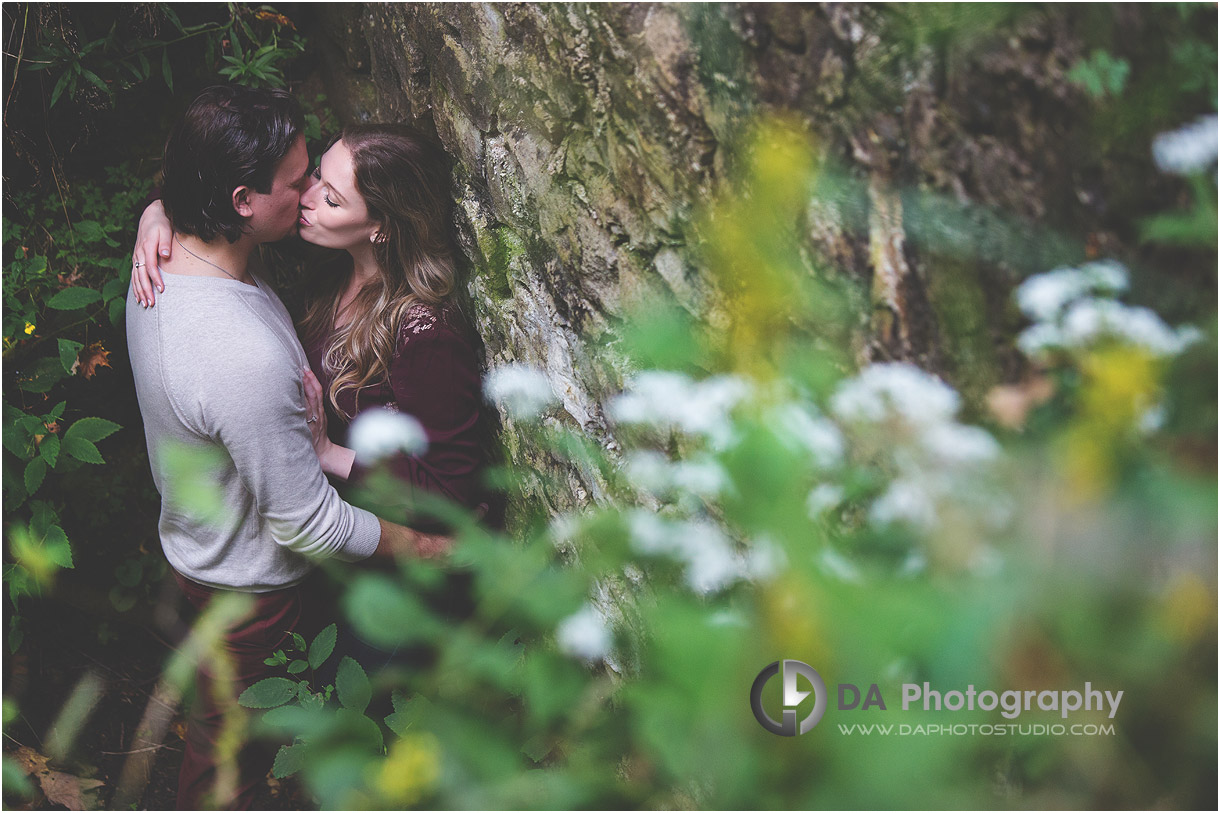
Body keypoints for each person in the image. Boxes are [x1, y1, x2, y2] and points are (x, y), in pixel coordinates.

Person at [126, 86, 448, 810]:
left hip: (208, 555)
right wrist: (432, 549)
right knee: (227, 767)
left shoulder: (172, 253)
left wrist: (153, 214)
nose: (308, 195)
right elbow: (306, 521)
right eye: (298, 182)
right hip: (250, 591)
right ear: (242, 200)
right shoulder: (237, 352)